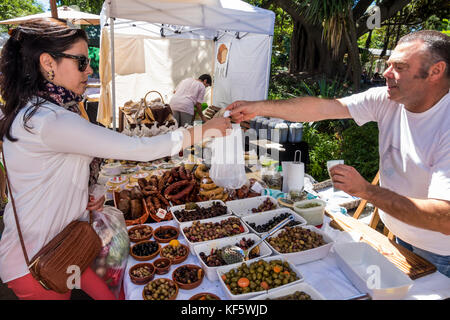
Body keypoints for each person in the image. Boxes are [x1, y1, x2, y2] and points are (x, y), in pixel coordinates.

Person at [0, 18, 231, 300]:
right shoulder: (49, 120)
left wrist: (91, 191)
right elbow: (138, 149)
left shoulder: (37, 111)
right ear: (49, 63)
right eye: (82, 61)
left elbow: (56, 173)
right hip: (39, 263)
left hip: (68, 243)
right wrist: (203, 131)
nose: (91, 69)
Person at [226, 30, 450, 277]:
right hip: (400, 235)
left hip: (441, 253)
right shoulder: (388, 100)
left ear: (436, 71)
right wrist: (258, 108)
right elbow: (325, 108)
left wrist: (366, 191)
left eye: (399, 66)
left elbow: (444, 218)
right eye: (388, 65)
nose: (386, 74)